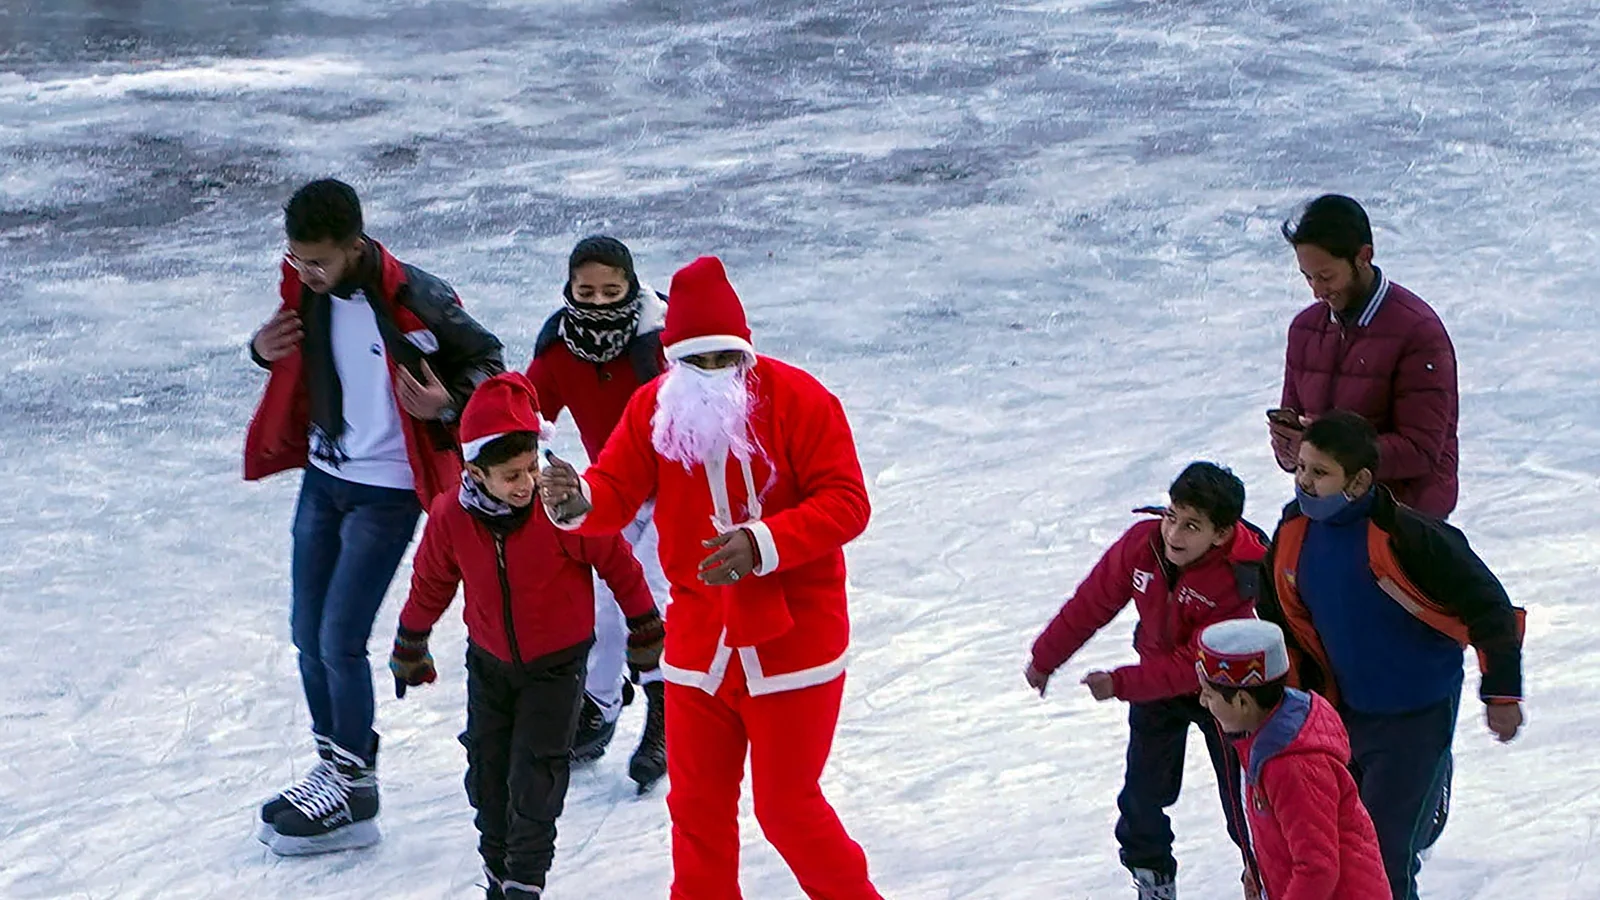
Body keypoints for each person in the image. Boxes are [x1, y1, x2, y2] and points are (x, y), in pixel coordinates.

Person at [538, 256, 884, 900]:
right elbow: (616, 487)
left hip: (794, 644)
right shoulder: (653, 408)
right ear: (672, 360)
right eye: (698, 361)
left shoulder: (802, 400)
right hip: (700, 645)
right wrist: (579, 500)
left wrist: (763, 543)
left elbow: (847, 502)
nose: (715, 371)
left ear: (746, 350)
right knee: (695, 810)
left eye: (728, 357)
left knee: (787, 809)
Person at [244, 178, 504, 855]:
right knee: (306, 634)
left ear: (354, 246)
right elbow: (289, 354)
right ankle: (337, 772)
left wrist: (448, 403)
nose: (305, 272)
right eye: (296, 258)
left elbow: (490, 362)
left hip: (386, 490)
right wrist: (259, 350)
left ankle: (355, 786)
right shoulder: (307, 289)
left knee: (339, 638)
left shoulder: (416, 296)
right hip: (324, 477)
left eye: (318, 261)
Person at [388, 372, 663, 900]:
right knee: (487, 775)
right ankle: (498, 873)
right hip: (488, 663)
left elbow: (618, 563)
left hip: (557, 665)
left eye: (532, 467)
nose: (527, 483)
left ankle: (524, 885)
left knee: (535, 776)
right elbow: (431, 583)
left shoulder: (560, 509)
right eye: (511, 474)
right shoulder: (451, 516)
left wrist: (645, 628)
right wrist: (410, 642)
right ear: (475, 472)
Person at [1258, 410, 1525, 899]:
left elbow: (1490, 607)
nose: (1304, 482)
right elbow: (1275, 611)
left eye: (1320, 473)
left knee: (1384, 858)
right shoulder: (1294, 531)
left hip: (1415, 719)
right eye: (1302, 467)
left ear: (1359, 481)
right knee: (1341, 846)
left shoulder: (1409, 536)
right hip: (1340, 715)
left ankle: (1427, 787)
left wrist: (1501, 693)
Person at [1025, 463, 1266, 900]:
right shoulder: (1145, 543)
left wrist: (1120, 683)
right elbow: (1092, 600)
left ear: (1221, 533)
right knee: (1140, 799)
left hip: (1227, 694)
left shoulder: (1241, 575)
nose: (1173, 533)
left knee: (1245, 806)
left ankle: (1264, 878)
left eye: (1191, 525)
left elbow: (1194, 664)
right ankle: (1154, 881)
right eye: (1172, 515)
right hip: (1157, 686)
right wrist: (1045, 657)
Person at [524, 235, 670, 788]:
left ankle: (664, 711)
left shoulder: (665, 336)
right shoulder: (560, 349)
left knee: (650, 598)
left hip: (677, 492)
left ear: (631, 287)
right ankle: (600, 707)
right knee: (606, 606)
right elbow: (527, 411)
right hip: (612, 491)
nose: (599, 302)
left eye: (612, 291)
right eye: (586, 292)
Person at [1270, 194, 1460, 518]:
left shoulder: (1418, 332)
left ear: (1363, 256)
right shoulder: (1304, 329)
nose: (1316, 291)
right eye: (1307, 277)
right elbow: (1297, 429)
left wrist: (1331, 453)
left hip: (1402, 518)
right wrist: (1290, 446)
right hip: (1329, 510)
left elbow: (1420, 450)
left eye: (1326, 276)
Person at [1195, 619, 1390, 900]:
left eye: (1209, 694)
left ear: (1242, 702)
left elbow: (1317, 868)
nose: (1203, 702)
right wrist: (1257, 870)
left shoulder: (1291, 766)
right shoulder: (1263, 737)